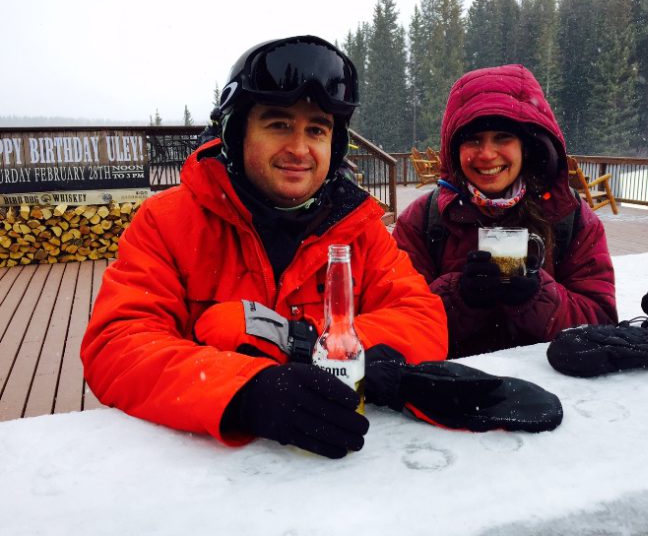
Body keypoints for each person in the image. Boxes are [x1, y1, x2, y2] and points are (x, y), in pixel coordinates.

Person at [81, 35, 448, 459]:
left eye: (316, 129)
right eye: (278, 124)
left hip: (340, 474)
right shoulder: (168, 222)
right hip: (207, 476)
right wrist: (243, 391)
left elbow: (423, 320)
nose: (299, 148)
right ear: (237, 133)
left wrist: (300, 345)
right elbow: (118, 345)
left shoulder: (356, 229)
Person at [393, 64, 617, 358]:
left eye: (502, 137)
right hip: (453, 392)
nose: (487, 154)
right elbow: (397, 322)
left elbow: (601, 324)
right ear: (454, 149)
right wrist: (459, 297)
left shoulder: (569, 216)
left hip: (551, 392)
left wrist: (538, 295)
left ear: (527, 145)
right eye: (473, 139)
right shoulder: (422, 220)